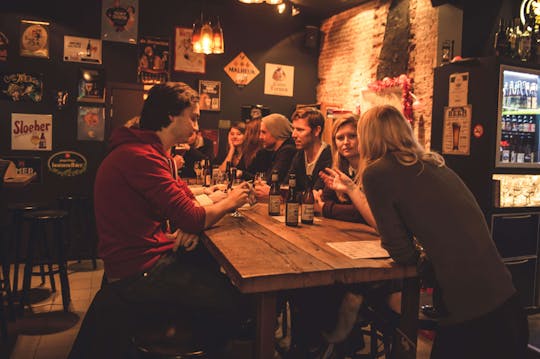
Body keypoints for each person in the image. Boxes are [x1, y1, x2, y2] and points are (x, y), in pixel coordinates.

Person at [321, 105, 528, 359]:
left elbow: (400, 251)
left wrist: (421, 260)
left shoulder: (378, 172)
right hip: (507, 303)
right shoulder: (434, 163)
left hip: (470, 313)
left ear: (368, 137)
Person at [68, 82, 251, 358]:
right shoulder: (139, 156)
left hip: (144, 260)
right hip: (140, 272)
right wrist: (231, 202)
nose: (197, 125)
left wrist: (192, 224)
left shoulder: (149, 152)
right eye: (193, 116)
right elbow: (190, 216)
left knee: (213, 270)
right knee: (239, 302)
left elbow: (184, 201)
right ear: (170, 116)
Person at [314, 115, 375, 225]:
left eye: (352, 136)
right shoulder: (339, 167)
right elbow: (324, 200)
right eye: (340, 138)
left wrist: (326, 208)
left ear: (363, 137)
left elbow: (366, 212)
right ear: (335, 143)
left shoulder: (373, 169)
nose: (346, 142)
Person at [287, 107, 332, 192]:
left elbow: (316, 196)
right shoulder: (299, 155)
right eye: (293, 129)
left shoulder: (329, 156)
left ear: (316, 131)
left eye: (300, 130)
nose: (293, 135)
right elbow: (288, 187)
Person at [254, 113, 296, 198]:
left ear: (276, 132)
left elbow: (272, 182)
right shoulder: (278, 150)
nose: (260, 137)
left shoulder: (287, 151)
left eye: (264, 132)